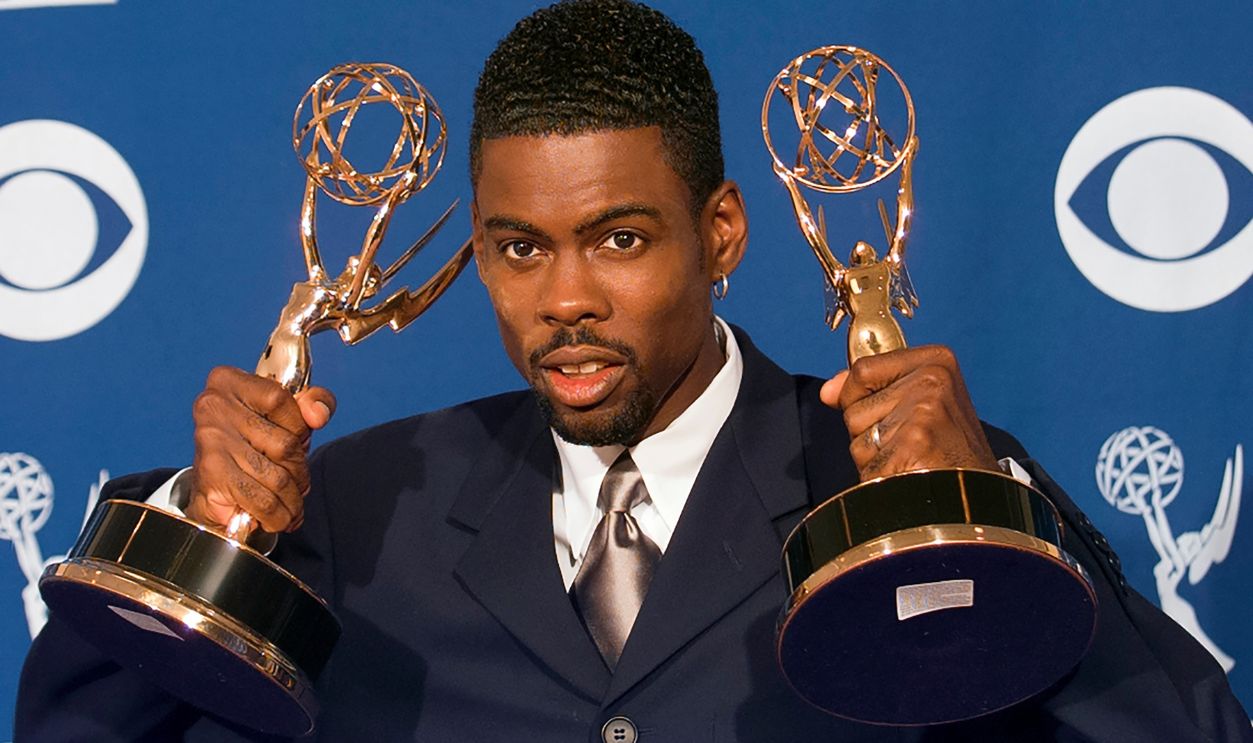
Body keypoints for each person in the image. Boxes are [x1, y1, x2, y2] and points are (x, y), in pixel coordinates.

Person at [16, 1, 1252, 741]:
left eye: (618, 238)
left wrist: (987, 526)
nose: (563, 298)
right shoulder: (355, 506)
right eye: (517, 247)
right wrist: (190, 527)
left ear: (719, 232)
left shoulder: (905, 494)